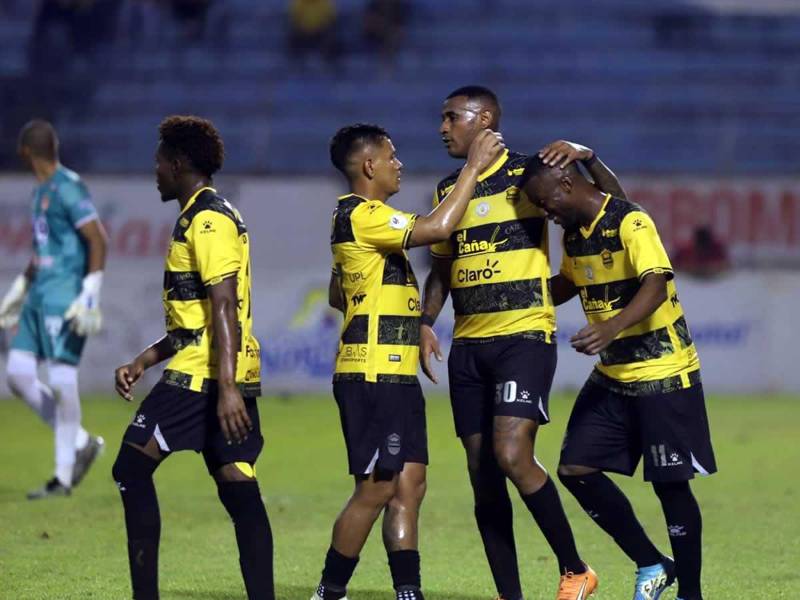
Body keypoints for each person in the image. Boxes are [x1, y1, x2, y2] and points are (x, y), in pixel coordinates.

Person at [419, 86, 628, 600]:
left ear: (483, 118)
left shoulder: (531, 173)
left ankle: (575, 569)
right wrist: (426, 322)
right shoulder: (449, 188)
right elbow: (442, 270)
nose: (443, 127)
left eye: (452, 117)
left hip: (524, 339)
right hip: (468, 346)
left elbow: (612, 205)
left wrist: (588, 155)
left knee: (512, 454)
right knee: (481, 474)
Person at [312, 123, 504, 600]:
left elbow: (340, 294)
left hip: (393, 373)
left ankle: (407, 591)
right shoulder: (362, 214)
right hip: (371, 373)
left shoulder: (364, 220)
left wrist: (405, 320)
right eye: (391, 156)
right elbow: (440, 227)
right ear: (369, 165)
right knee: (377, 489)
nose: (400, 164)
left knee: (410, 485)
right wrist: (474, 169)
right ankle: (328, 591)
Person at [522, 156, 717, 600]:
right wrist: (513, 294)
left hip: (664, 371)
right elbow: (569, 284)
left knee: (671, 485)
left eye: (545, 200)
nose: (545, 212)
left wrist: (610, 327)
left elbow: (657, 283)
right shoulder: (575, 236)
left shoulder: (632, 221)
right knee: (575, 468)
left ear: (567, 184)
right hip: (613, 375)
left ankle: (691, 593)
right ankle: (652, 562)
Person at [111, 116, 273, 600]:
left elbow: (224, 306)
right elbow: (196, 319)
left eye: (159, 161)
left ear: (178, 164)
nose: (155, 170)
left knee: (130, 470)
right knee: (236, 484)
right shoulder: (204, 215)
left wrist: (225, 390)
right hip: (218, 370)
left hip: (205, 377)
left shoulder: (207, 220)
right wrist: (144, 359)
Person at [0, 119, 106, 499]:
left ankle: (62, 478)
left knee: (62, 380)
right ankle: (80, 441)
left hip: (66, 297)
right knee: (17, 373)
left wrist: (91, 289)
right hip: (39, 295)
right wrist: (20, 287)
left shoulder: (68, 186)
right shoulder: (39, 192)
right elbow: (43, 248)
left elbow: (98, 238)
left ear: (26, 152)